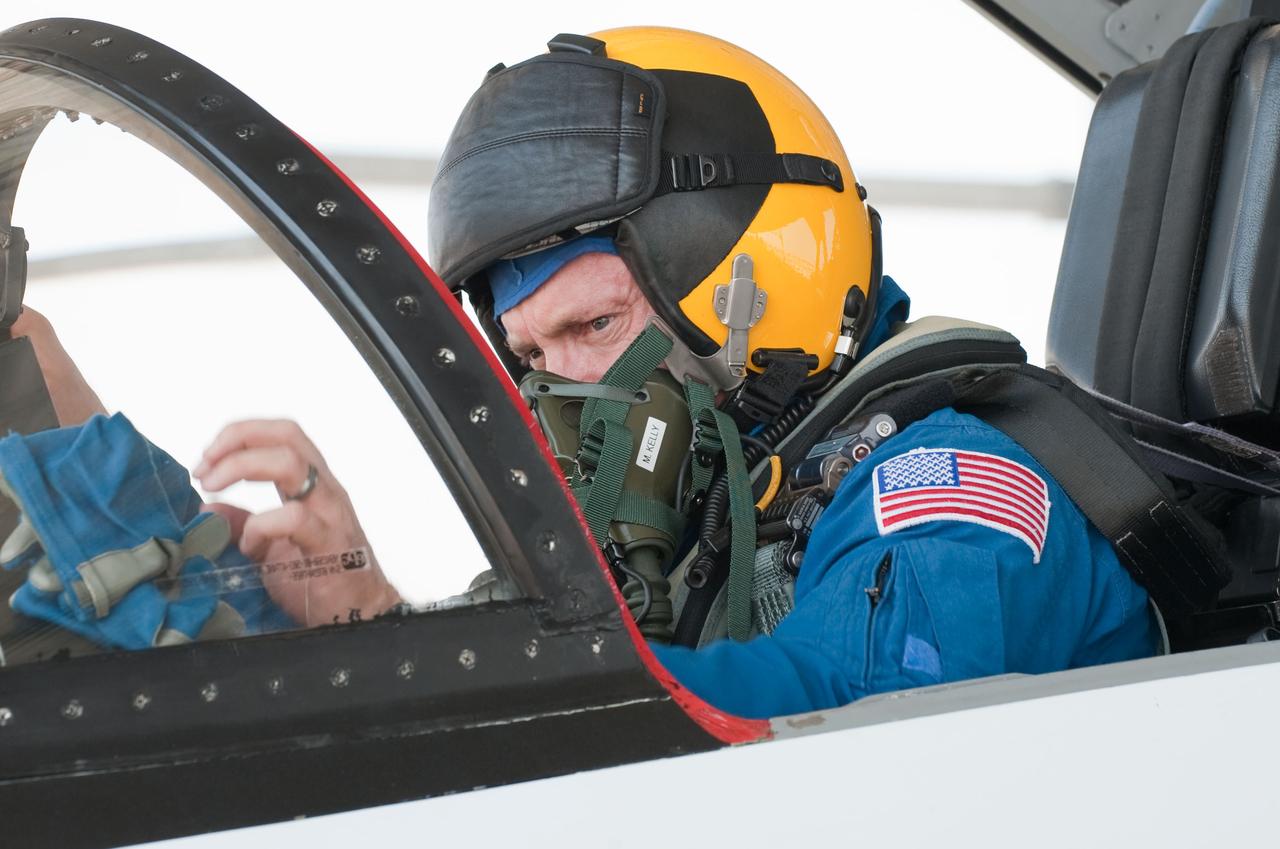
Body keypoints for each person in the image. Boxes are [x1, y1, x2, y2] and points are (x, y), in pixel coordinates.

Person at [16, 28, 1159, 718]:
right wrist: (371, 614)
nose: (563, 394)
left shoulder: (950, 494)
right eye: (531, 359)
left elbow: (828, 730)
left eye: (595, 326)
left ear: (753, 278)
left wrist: (428, 671)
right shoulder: (721, 516)